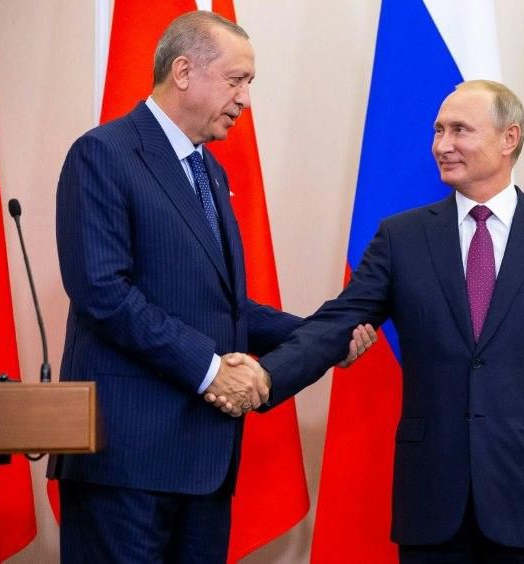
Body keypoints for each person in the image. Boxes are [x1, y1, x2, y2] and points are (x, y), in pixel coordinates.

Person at [211, 80, 524, 562]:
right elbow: (339, 321)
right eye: (438, 130)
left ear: (508, 138)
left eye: (459, 130)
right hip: (433, 498)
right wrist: (266, 377)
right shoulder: (402, 237)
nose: (442, 145)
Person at [50, 11, 374, 563]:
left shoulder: (211, 172)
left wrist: (322, 338)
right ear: (183, 71)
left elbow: (226, 307)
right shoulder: (103, 153)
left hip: (203, 461)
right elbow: (105, 293)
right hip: (126, 459)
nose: (245, 97)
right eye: (236, 79)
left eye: (250, 83)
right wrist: (211, 369)